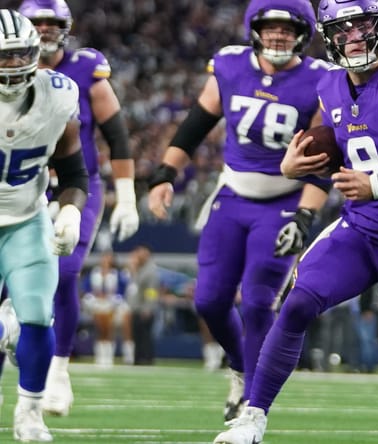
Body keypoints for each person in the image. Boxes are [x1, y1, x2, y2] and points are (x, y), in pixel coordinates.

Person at [212, 0, 378, 442]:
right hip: (361, 229)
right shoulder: (329, 84)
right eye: (342, 28)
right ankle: (253, 417)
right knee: (295, 304)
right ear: (328, 36)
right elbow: (343, 157)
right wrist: (294, 168)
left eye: (362, 25)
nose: (353, 36)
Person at [147, 0, 331, 422]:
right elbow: (196, 123)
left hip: (284, 201)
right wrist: (164, 174)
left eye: (288, 28)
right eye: (271, 28)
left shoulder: (320, 79)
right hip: (232, 197)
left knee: (256, 302)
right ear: (255, 29)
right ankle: (239, 365)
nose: (279, 35)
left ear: (303, 32)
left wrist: (305, 215)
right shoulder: (230, 65)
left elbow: (325, 156)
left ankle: (252, 401)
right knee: (209, 301)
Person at [18, 0, 139, 417]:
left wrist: (126, 195)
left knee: (65, 271)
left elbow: (117, 136)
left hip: (75, 186)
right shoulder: (6, 66)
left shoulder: (86, 68)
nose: (46, 29)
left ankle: (58, 369)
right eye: (38, 22)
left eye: (53, 23)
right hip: (18, 188)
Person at [0, 9, 87, 441]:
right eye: (4, 57)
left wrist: (70, 210)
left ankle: (29, 414)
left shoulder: (58, 93)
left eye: (20, 56)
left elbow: (73, 172)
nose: (14, 65)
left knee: (37, 314)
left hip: (26, 218)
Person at [81, 251, 132, 366]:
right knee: (100, 322)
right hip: (95, 304)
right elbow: (86, 291)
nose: (106, 261)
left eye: (108, 259)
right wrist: (96, 297)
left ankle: (113, 355)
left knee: (113, 322)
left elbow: (122, 293)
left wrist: (109, 299)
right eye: (104, 258)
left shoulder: (117, 275)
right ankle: (101, 354)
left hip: (112, 304)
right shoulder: (93, 273)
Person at [124, 244, 160, 365]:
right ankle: (138, 358)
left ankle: (146, 358)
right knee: (137, 335)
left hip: (144, 309)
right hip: (136, 308)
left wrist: (148, 308)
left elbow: (152, 291)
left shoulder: (150, 270)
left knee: (145, 336)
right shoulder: (138, 269)